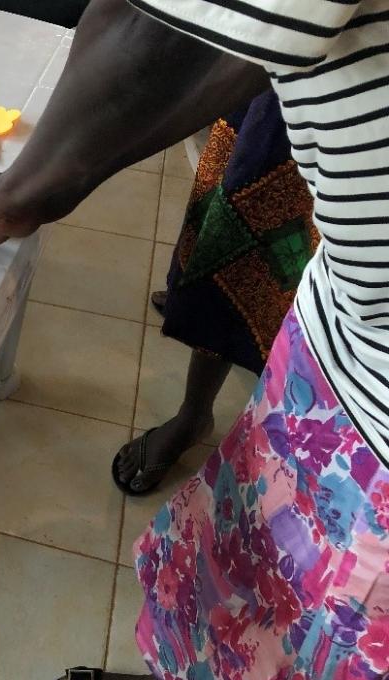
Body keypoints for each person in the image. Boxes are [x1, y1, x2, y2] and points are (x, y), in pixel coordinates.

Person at [0, 0, 389, 680]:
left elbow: (145, 25)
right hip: (346, 320)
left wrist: (29, 188)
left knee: (345, 669)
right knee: (260, 546)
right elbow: (242, 36)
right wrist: (44, 180)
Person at [114, 90, 317, 494]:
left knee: (247, 249)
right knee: (221, 216)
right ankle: (188, 300)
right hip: (273, 82)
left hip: (346, 105)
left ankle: (194, 416)